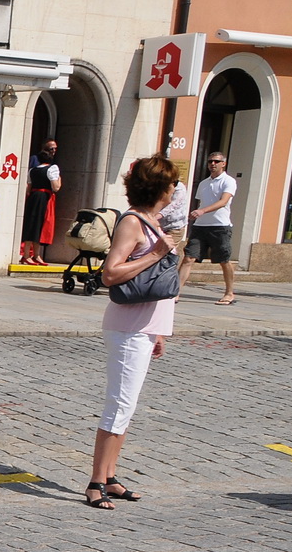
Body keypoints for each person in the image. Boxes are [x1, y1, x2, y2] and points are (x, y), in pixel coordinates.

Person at [86, 156, 179, 510]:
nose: (174, 190)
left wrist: (159, 332)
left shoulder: (152, 222)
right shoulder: (133, 222)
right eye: (171, 184)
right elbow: (110, 273)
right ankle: (96, 481)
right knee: (119, 404)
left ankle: (110, 475)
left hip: (144, 328)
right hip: (128, 328)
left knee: (127, 406)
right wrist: (155, 254)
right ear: (159, 188)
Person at [184, 151, 238, 304]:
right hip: (200, 226)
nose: (212, 164)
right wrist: (195, 214)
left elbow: (223, 202)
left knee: (223, 260)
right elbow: (201, 202)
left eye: (216, 161)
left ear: (223, 164)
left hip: (220, 226)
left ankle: (229, 293)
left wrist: (202, 211)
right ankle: (175, 293)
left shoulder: (229, 181)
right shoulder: (203, 183)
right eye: (210, 161)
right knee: (188, 258)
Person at [20, 140, 60, 265]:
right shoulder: (52, 169)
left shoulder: (32, 170)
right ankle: (32, 255)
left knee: (32, 224)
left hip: (33, 197)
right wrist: (59, 179)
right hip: (44, 198)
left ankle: (30, 254)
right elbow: (56, 187)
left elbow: (28, 188)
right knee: (40, 225)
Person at [159, 176, 189, 256]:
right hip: (158, 226)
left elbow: (174, 205)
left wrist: (158, 215)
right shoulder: (158, 185)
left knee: (165, 253)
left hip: (174, 227)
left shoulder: (179, 188)